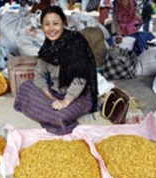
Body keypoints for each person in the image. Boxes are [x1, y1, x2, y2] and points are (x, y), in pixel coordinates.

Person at [14, 5, 98, 135]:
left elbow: (81, 77)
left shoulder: (76, 42)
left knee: (61, 116)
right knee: (24, 88)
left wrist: (66, 101)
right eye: (47, 24)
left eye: (55, 24)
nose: (51, 29)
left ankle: (53, 115)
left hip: (77, 95)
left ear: (64, 23)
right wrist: (50, 96)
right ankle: (50, 110)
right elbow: (39, 74)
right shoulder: (48, 46)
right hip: (55, 93)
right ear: (41, 26)